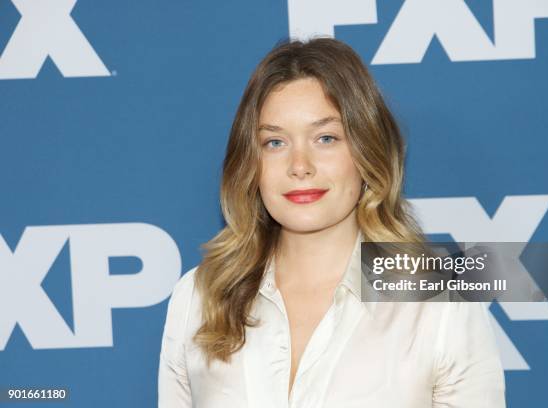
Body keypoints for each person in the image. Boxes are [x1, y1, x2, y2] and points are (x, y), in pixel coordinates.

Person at [158, 37, 506, 407]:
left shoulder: (441, 300)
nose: (299, 165)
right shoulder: (199, 297)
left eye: (326, 138)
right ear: (250, 162)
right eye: (275, 143)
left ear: (366, 151)